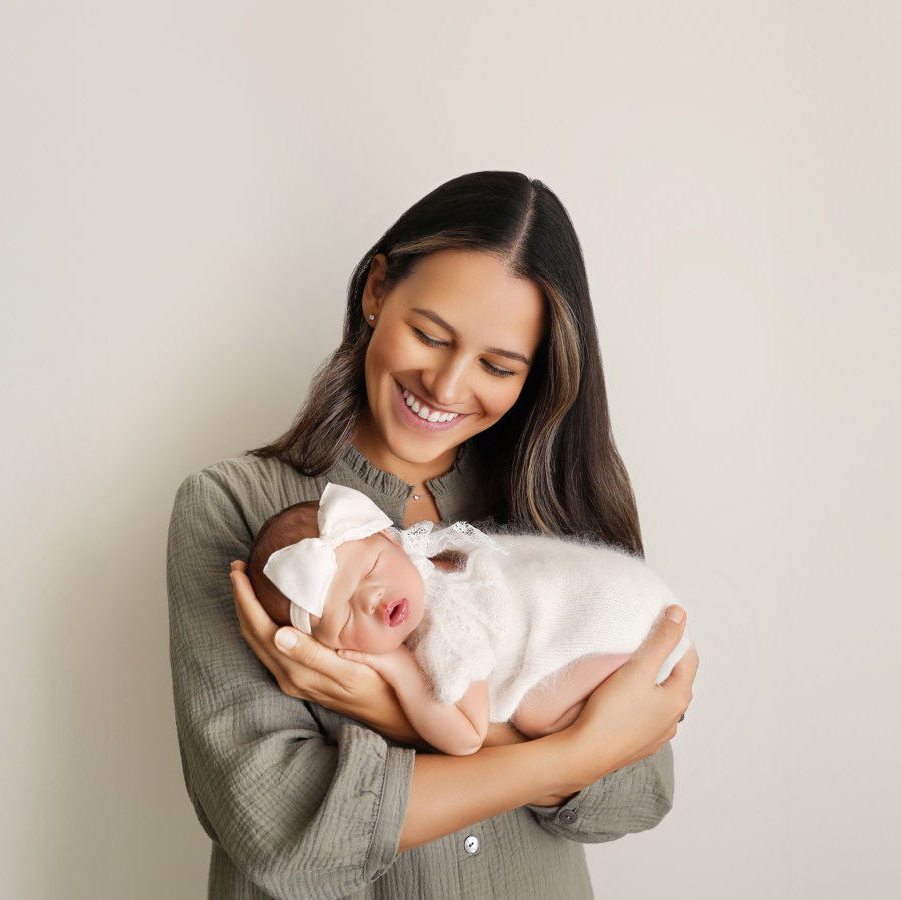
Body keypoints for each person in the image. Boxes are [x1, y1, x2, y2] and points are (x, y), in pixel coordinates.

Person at [167, 171, 697, 899]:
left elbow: (641, 789)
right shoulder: (235, 510)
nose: (447, 387)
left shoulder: (547, 513)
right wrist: (570, 753)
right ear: (377, 290)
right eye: (429, 334)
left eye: (498, 365)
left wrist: (388, 715)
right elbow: (278, 828)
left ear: (536, 372)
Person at [245, 483, 694, 756]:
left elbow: (467, 736)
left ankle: (638, 674)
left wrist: (400, 672)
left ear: (394, 539)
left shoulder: (444, 624)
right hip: (635, 598)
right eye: (344, 615)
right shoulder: (436, 560)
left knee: (536, 717)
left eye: (371, 569)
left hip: (626, 616)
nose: (373, 598)